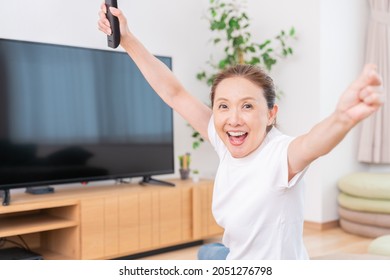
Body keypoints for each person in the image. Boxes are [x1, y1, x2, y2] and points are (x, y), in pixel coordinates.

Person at [98, 5, 384, 260]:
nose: (233, 119)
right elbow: (174, 93)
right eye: (223, 106)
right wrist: (128, 39)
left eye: (247, 106)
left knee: (209, 255)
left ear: (271, 114)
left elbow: (313, 144)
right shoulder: (225, 141)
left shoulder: (280, 156)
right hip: (237, 255)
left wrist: (342, 117)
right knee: (209, 251)